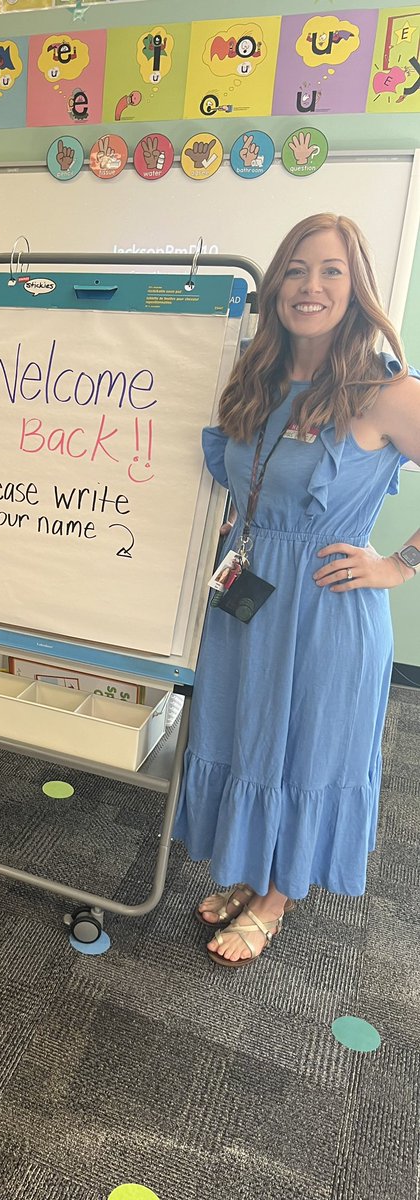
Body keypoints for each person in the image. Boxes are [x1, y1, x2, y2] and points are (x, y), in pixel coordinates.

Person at [174, 212, 420, 966]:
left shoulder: (385, 391)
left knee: (308, 750)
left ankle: (277, 897)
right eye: (296, 269)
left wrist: (401, 564)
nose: (310, 286)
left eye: (331, 271)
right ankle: (253, 874)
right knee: (249, 735)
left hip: (326, 607)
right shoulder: (256, 375)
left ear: (357, 288)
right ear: (276, 282)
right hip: (248, 595)